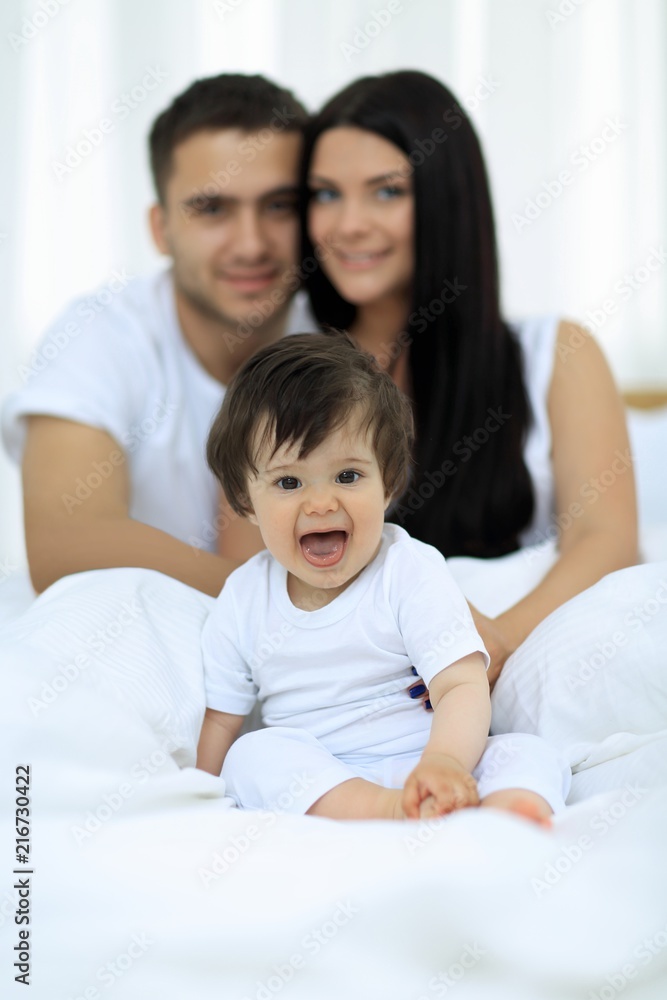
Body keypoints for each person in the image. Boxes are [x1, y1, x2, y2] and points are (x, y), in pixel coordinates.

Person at [298, 70, 638, 685]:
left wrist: (496, 640)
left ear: (446, 198)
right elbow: (255, 574)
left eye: (385, 192)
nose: (346, 225)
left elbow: (607, 539)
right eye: (324, 194)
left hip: (510, 663)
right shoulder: (289, 376)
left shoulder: (556, 354)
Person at [196, 332, 571, 823]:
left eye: (347, 476)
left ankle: (504, 811)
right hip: (329, 780)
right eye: (289, 482)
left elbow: (461, 685)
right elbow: (222, 720)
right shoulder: (243, 598)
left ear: (389, 481)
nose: (321, 503)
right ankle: (389, 811)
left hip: (431, 760)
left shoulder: (408, 569)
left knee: (529, 751)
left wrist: (443, 762)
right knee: (251, 756)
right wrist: (196, 794)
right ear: (244, 500)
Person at [2, 73, 315, 598]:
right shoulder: (103, 334)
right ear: (159, 228)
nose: (251, 244)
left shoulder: (343, 334)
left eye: (279, 205)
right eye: (212, 209)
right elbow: (65, 546)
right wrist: (296, 601)